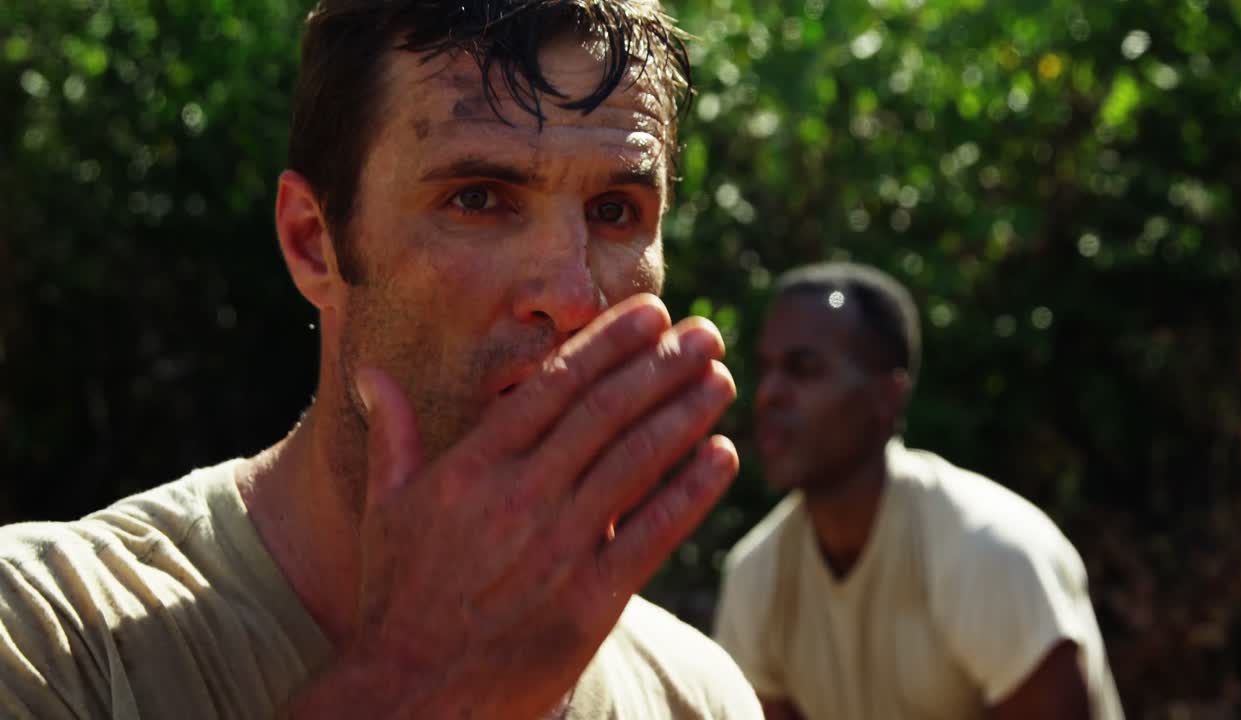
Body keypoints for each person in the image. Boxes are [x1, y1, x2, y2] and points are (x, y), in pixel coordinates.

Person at [0, 1, 764, 718]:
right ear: (314, 242)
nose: (571, 294)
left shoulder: (694, 694)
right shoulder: (52, 635)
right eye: (478, 198)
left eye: (614, 212)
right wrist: (406, 684)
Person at [713, 261, 1125, 720]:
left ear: (887, 397)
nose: (769, 392)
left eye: (804, 368)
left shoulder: (988, 552)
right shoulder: (756, 576)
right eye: (765, 369)